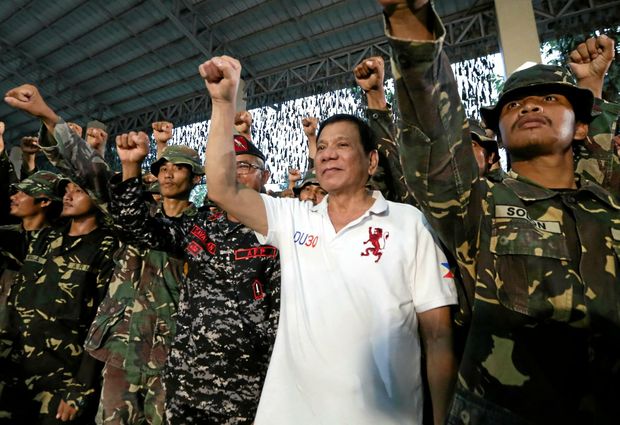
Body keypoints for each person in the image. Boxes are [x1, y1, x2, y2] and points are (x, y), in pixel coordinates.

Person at [380, 1, 620, 424]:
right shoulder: (479, 206)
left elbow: (602, 167)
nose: (528, 108)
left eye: (548, 98)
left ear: (581, 126)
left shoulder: (610, 208)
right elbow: (435, 139)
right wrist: (409, 23)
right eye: (513, 106)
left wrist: (593, 89)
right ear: (501, 137)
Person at [200, 55, 457, 424]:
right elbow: (223, 189)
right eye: (321, 147)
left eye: (342, 145)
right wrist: (223, 104)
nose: (328, 154)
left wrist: (443, 418)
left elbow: (437, 336)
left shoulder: (408, 223)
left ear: (371, 163)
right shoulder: (294, 218)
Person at [110, 130, 280, 424]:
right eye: (229, 168)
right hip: (186, 382)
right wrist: (131, 167)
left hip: (246, 388)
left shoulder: (282, 230)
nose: (235, 175)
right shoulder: (200, 224)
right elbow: (137, 228)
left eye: (245, 166)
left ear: (265, 176)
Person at [0, 178, 117, 424]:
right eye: (66, 190)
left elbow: (102, 323)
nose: (68, 195)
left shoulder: (106, 249)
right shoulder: (46, 238)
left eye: (78, 190)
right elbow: (15, 305)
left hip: (60, 381)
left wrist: (80, 389)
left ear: (98, 197)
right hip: (16, 372)